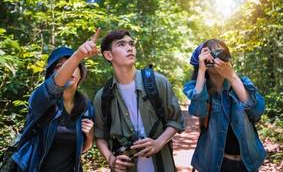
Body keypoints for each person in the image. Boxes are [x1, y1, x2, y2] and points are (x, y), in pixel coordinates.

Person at [94, 30, 185, 172]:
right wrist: (111, 159)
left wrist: (158, 143)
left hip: (162, 165)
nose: (129, 48)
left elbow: (176, 120)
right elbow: (100, 136)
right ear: (108, 55)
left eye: (131, 44)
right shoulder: (103, 96)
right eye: (121, 44)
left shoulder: (158, 82)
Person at [12, 29, 101, 172]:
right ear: (51, 75)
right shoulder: (40, 99)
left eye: (73, 66)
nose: (70, 70)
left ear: (81, 71)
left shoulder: (86, 106)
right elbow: (54, 87)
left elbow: (80, 149)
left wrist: (89, 137)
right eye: (60, 66)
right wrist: (77, 56)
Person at [183, 39, 266, 172]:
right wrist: (201, 71)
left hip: (248, 163)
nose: (216, 57)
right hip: (217, 164)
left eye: (220, 52)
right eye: (210, 53)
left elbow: (257, 111)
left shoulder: (241, 83)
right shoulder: (199, 89)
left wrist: (232, 76)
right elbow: (198, 111)